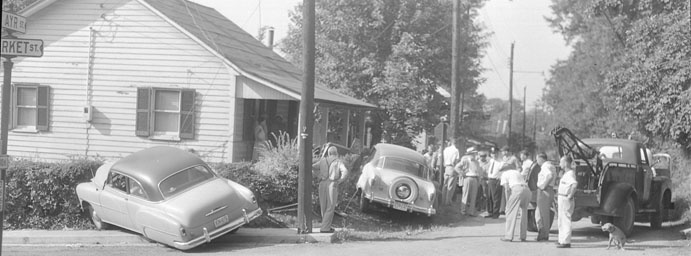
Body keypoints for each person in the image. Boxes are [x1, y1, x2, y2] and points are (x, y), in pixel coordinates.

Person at [311, 146, 349, 233]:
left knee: (323, 205)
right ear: (336, 153)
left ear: (328, 153)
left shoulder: (323, 160)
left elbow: (312, 167)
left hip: (322, 183)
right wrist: (340, 180)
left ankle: (326, 226)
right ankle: (325, 228)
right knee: (330, 206)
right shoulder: (338, 161)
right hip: (332, 184)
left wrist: (318, 176)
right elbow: (345, 171)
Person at [499, 160, 531, 242]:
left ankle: (508, 236)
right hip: (526, 190)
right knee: (524, 212)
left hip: (516, 189)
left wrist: (507, 203)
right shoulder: (516, 172)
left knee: (510, 213)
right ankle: (523, 236)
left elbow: (507, 189)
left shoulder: (504, 174)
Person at [557, 155, 577, 248]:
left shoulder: (570, 174)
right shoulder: (566, 174)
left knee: (565, 219)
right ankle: (561, 239)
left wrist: (570, 195)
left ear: (565, 163)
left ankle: (566, 241)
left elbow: (574, 184)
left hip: (565, 198)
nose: (559, 164)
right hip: (561, 197)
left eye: (561, 162)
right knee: (561, 219)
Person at [535, 152, 556, 241]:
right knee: (543, 213)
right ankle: (544, 233)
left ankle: (543, 234)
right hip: (550, 189)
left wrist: (543, 185)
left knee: (542, 214)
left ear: (541, 158)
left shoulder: (545, 166)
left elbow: (549, 176)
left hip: (544, 190)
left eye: (537, 159)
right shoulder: (551, 166)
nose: (537, 161)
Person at [456, 147, 481, 216]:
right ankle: (463, 211)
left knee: (473, 196)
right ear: (469, 154)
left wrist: (479, 180)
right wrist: (462, 173)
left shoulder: (476, 162)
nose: (474, 155)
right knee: (465, 195)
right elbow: (457, 167)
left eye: (475, 153)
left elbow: (478, 172)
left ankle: (471, 212)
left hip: (475, 178)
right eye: (473, 153)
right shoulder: (465, 160)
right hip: (467, 178)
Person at [483, 148, 503, 218]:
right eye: (492, 153)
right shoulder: (491, 161)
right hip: (490, 179)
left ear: (498, 153)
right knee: (489, 197)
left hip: (496, 180)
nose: (494, 155)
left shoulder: (501, 162)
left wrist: (500, 177)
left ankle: (496, 213)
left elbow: (502, 171)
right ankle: (490, 212)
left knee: (496, 197)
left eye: (495, 153)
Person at [441, 139, 460, 206]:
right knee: (451, 186)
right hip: (452, 167)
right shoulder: (456, 150)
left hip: (446, 167)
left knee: (445, 184)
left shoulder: (446, 149)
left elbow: (443, 158)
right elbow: (456, 161)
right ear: (456, 143)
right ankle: (448, 202)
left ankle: (442, 200)